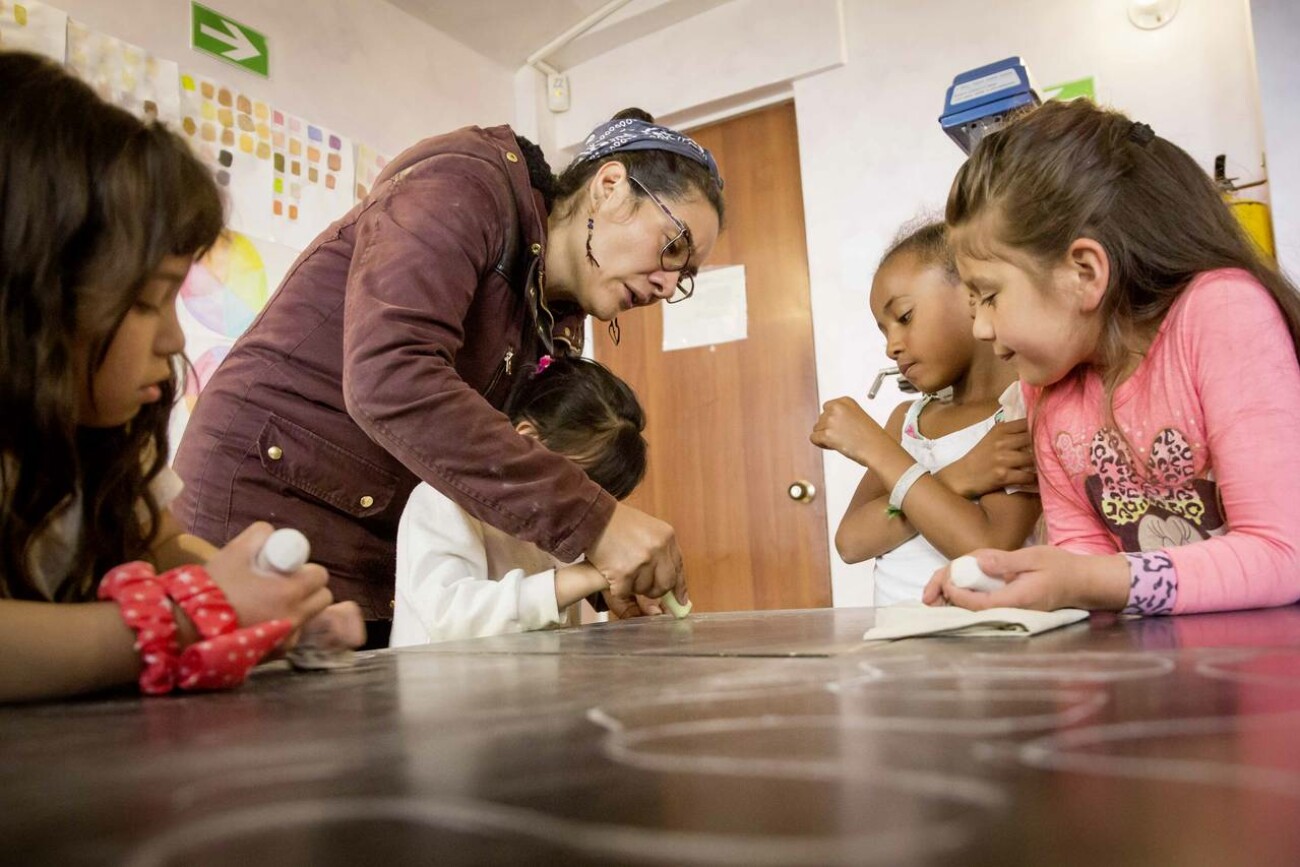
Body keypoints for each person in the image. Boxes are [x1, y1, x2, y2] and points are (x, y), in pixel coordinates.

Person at [172, 109, 724, 645]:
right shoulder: (462, 185)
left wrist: (600, 574)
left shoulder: (556, 323)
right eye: (673, 245)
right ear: (608, 186)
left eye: (686, 276)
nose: (665, 286)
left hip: (375, 544)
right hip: (267, 507)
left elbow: (492, 470)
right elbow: (392, 377)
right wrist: (597, 522)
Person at [0, 52, 357, 703]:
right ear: (31, 296)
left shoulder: (104, 442)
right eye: (144, 302)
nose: (172, 338)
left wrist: (271, 605)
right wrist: (189, 615)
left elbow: (161, 545)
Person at [925, 99, 1300, 615]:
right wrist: (1019, 584)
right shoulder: (1046, 386)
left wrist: (1086, 579)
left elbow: (1282, 553)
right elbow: (1083, 563)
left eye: (988, 295)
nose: (981, 327)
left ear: (1083, 272)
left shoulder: (1223, 310)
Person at [810, 222, 1040, 605]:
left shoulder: (1016, 410)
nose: (891, 347)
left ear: (972, 291)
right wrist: (959, 476)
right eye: (883, 331)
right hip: (896, 647)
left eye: (903, 317)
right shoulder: (907, 421)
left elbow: (987, 545)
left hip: (984, 649)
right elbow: (851, 541)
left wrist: (879, 451)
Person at [391, 355, 649, 646]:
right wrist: (588, 577)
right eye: (579, 490)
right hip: (441, 688)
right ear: (527, 441)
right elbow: (449, 620)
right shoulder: (442, 498)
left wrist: (610, 587)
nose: (582, 509)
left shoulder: (555, 514)